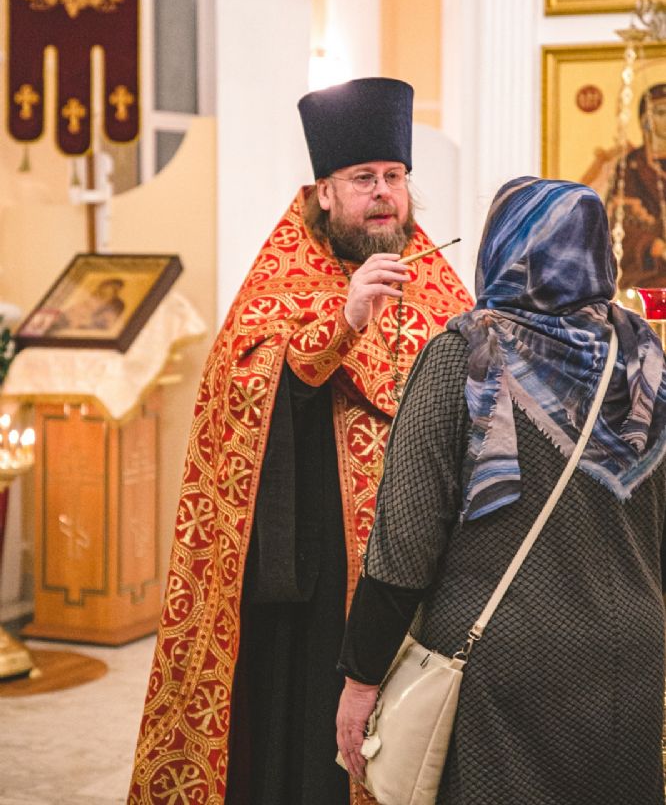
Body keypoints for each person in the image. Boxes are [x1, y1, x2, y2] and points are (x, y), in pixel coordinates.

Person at [127, 77, 472, 805]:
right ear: (323, 191)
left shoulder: (436, 277)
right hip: (311, 569)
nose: (384, 194)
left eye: (394, 177)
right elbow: (239, 387)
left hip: (425, 560)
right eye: (363, 179)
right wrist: (342, 322)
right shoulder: (282, 275)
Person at [336, 176, 666, 805]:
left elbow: (406, 540)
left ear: (503, 249)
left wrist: (361, 677)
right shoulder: (647, 362)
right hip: (631, 658)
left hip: (504, 670)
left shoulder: (465, 355)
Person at [606, 81, 666, 288]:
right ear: (646, 120)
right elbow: (617, 222)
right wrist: (653, 246)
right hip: (647, 274)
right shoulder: (632, 167)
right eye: (661, 113)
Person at [48, 277, 125, 333]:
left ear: (116, 293)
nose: (99, 294)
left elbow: (104, 325)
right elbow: (71, 310)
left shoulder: (116, 306)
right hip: (67, 322)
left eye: (113, 288)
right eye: (100, 290)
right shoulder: (90, 297)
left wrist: (82, 323)